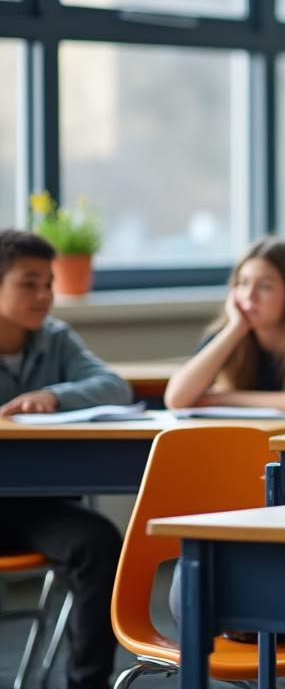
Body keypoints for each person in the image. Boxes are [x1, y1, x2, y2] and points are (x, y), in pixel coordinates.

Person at [0, 229, 128, 689]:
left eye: (49, 283)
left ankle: (87, 682)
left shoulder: (55, 337)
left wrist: (53, 397)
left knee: (99, 542)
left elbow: (115, 386)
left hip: (39, 507)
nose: (43, 295)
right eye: (29, 283)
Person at [164, 237, 285, 414]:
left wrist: (225, 398)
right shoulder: (227, 335)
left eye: (265, 286)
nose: (249, 296)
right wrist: (235, 329)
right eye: (243, 283)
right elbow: (176, 398)